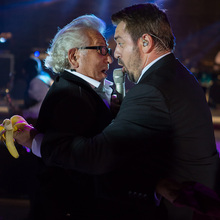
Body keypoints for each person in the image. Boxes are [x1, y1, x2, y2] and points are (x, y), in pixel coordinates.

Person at [14, 3, 220, 220]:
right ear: (74, 57)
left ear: (145, 42)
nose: (115, 55)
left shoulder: (151, 89)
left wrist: (37, 141)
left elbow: (102, 155)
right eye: (103, 49)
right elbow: (76, 173)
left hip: (180, 207)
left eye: (119, 43)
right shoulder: (175, 75)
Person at [17, 15, 122, 220]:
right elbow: (67, 156)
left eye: (108, 51)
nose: (109, 58)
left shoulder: (81, 90)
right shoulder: (71, 95)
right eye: (101, 49)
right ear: (74, 57)